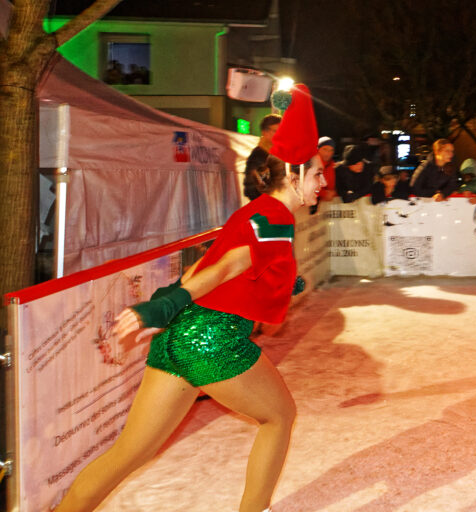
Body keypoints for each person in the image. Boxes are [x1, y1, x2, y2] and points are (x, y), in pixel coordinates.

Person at [54, 86, 324, 512]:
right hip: (213, 340)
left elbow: (208, 268)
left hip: (180, 338)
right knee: (280, 416)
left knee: (130, 453)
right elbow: (223, 270)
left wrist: (171, 307)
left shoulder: (254, 213)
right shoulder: (276, 220)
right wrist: (158, 307)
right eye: (317, 175)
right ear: (293, 175)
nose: (323, 184)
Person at [244, 114, 282, 201]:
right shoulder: (259, 155)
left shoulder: (278, 153)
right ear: (265, 132)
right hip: (265, 206)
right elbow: (252, 187)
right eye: (276, 131)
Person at [317, 136, 337, 201]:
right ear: (318, 149)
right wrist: (323, 193)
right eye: (325, 149)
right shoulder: (310, 165)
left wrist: (334, 193)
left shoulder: (334, 166)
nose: (327, 153)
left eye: (331, 150)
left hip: (327, 205)